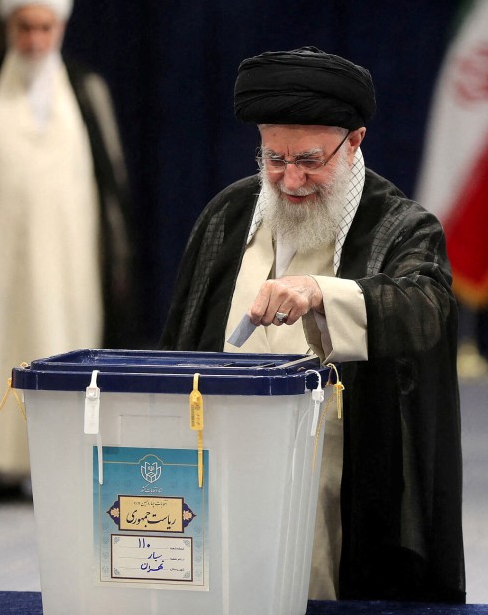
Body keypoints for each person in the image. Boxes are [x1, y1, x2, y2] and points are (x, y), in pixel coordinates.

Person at [160, 46, 465, 603]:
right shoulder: (227, 215)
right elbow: (183, 333)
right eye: (274, 159)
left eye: (310, 159)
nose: (291, 178)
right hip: (222, 455)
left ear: (355, 143)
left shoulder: (401, 224)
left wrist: (322, 292)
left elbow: (426, 307)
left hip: (338, 469)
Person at [0, 0, 135, 502]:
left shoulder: (86, 91)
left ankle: (73, 461)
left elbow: (112, 186)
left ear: (60, 28)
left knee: (67, 342)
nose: (35, 40)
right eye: (25, 28)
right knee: (2, 347)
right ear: (9, 28)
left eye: (45, 28)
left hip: (71, 266)